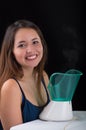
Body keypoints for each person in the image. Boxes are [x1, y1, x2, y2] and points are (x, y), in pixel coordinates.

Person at [0, 19, 50, 130]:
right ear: (11, 52)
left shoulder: (43, 76)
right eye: (22, 45)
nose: (30, 49)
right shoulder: (11, 87)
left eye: (35, 42)